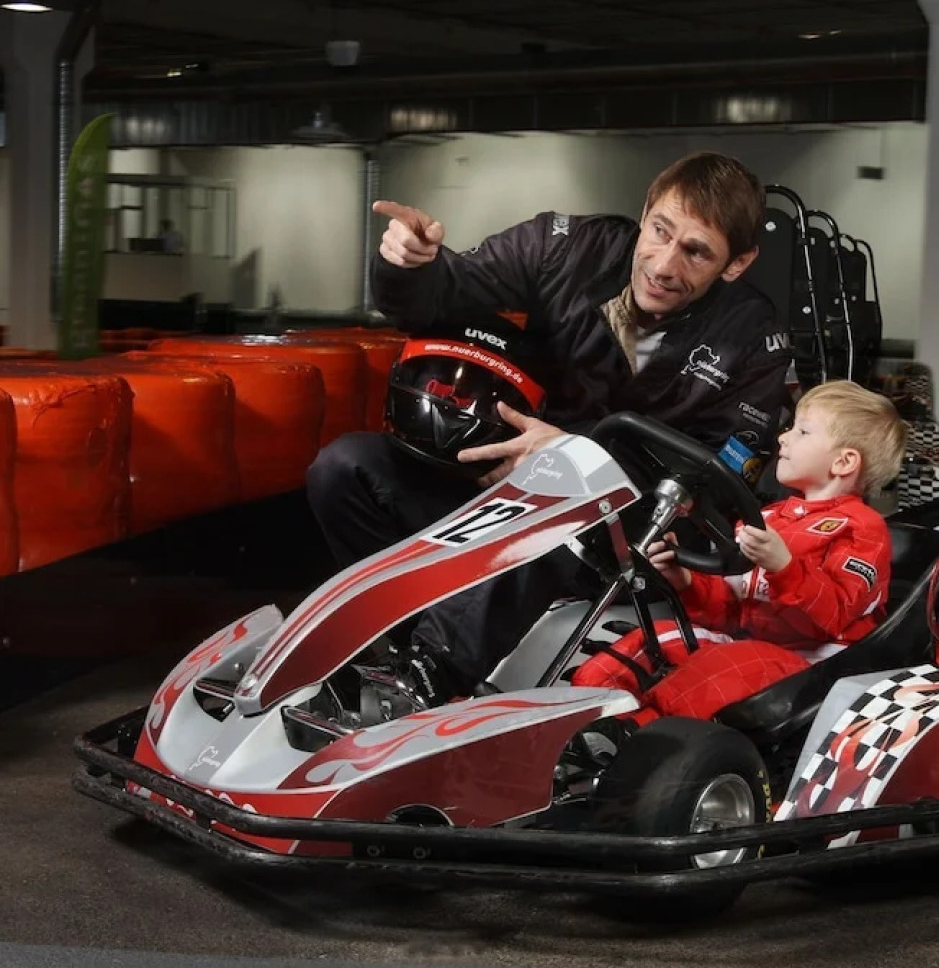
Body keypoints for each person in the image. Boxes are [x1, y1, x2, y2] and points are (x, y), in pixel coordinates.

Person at [306, 151, 793, 702]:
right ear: (645, 212)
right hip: (496, 491)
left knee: (566, 487)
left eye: (696, 252)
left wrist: (577, 455)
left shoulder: (754, 337)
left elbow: (726, 481)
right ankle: (400, 646)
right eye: (659, 231)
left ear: (736, 264)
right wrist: (412, 265)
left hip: (618, 532)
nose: (663, 264)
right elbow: (445, 292)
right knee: (346, 468)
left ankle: (431, 677)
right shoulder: (565, 246)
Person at [570, 380, 906, 723]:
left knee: (711, 675)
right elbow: (733, 608)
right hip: (746, 643)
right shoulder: (771, 516)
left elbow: (830, 617)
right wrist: (683, 578)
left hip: (814, 665)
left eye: (802, 432)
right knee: (644, 642)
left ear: (844, 462)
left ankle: (632, 739)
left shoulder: (863, 529)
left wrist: (783, 567)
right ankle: (579, 718)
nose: (782, 438)